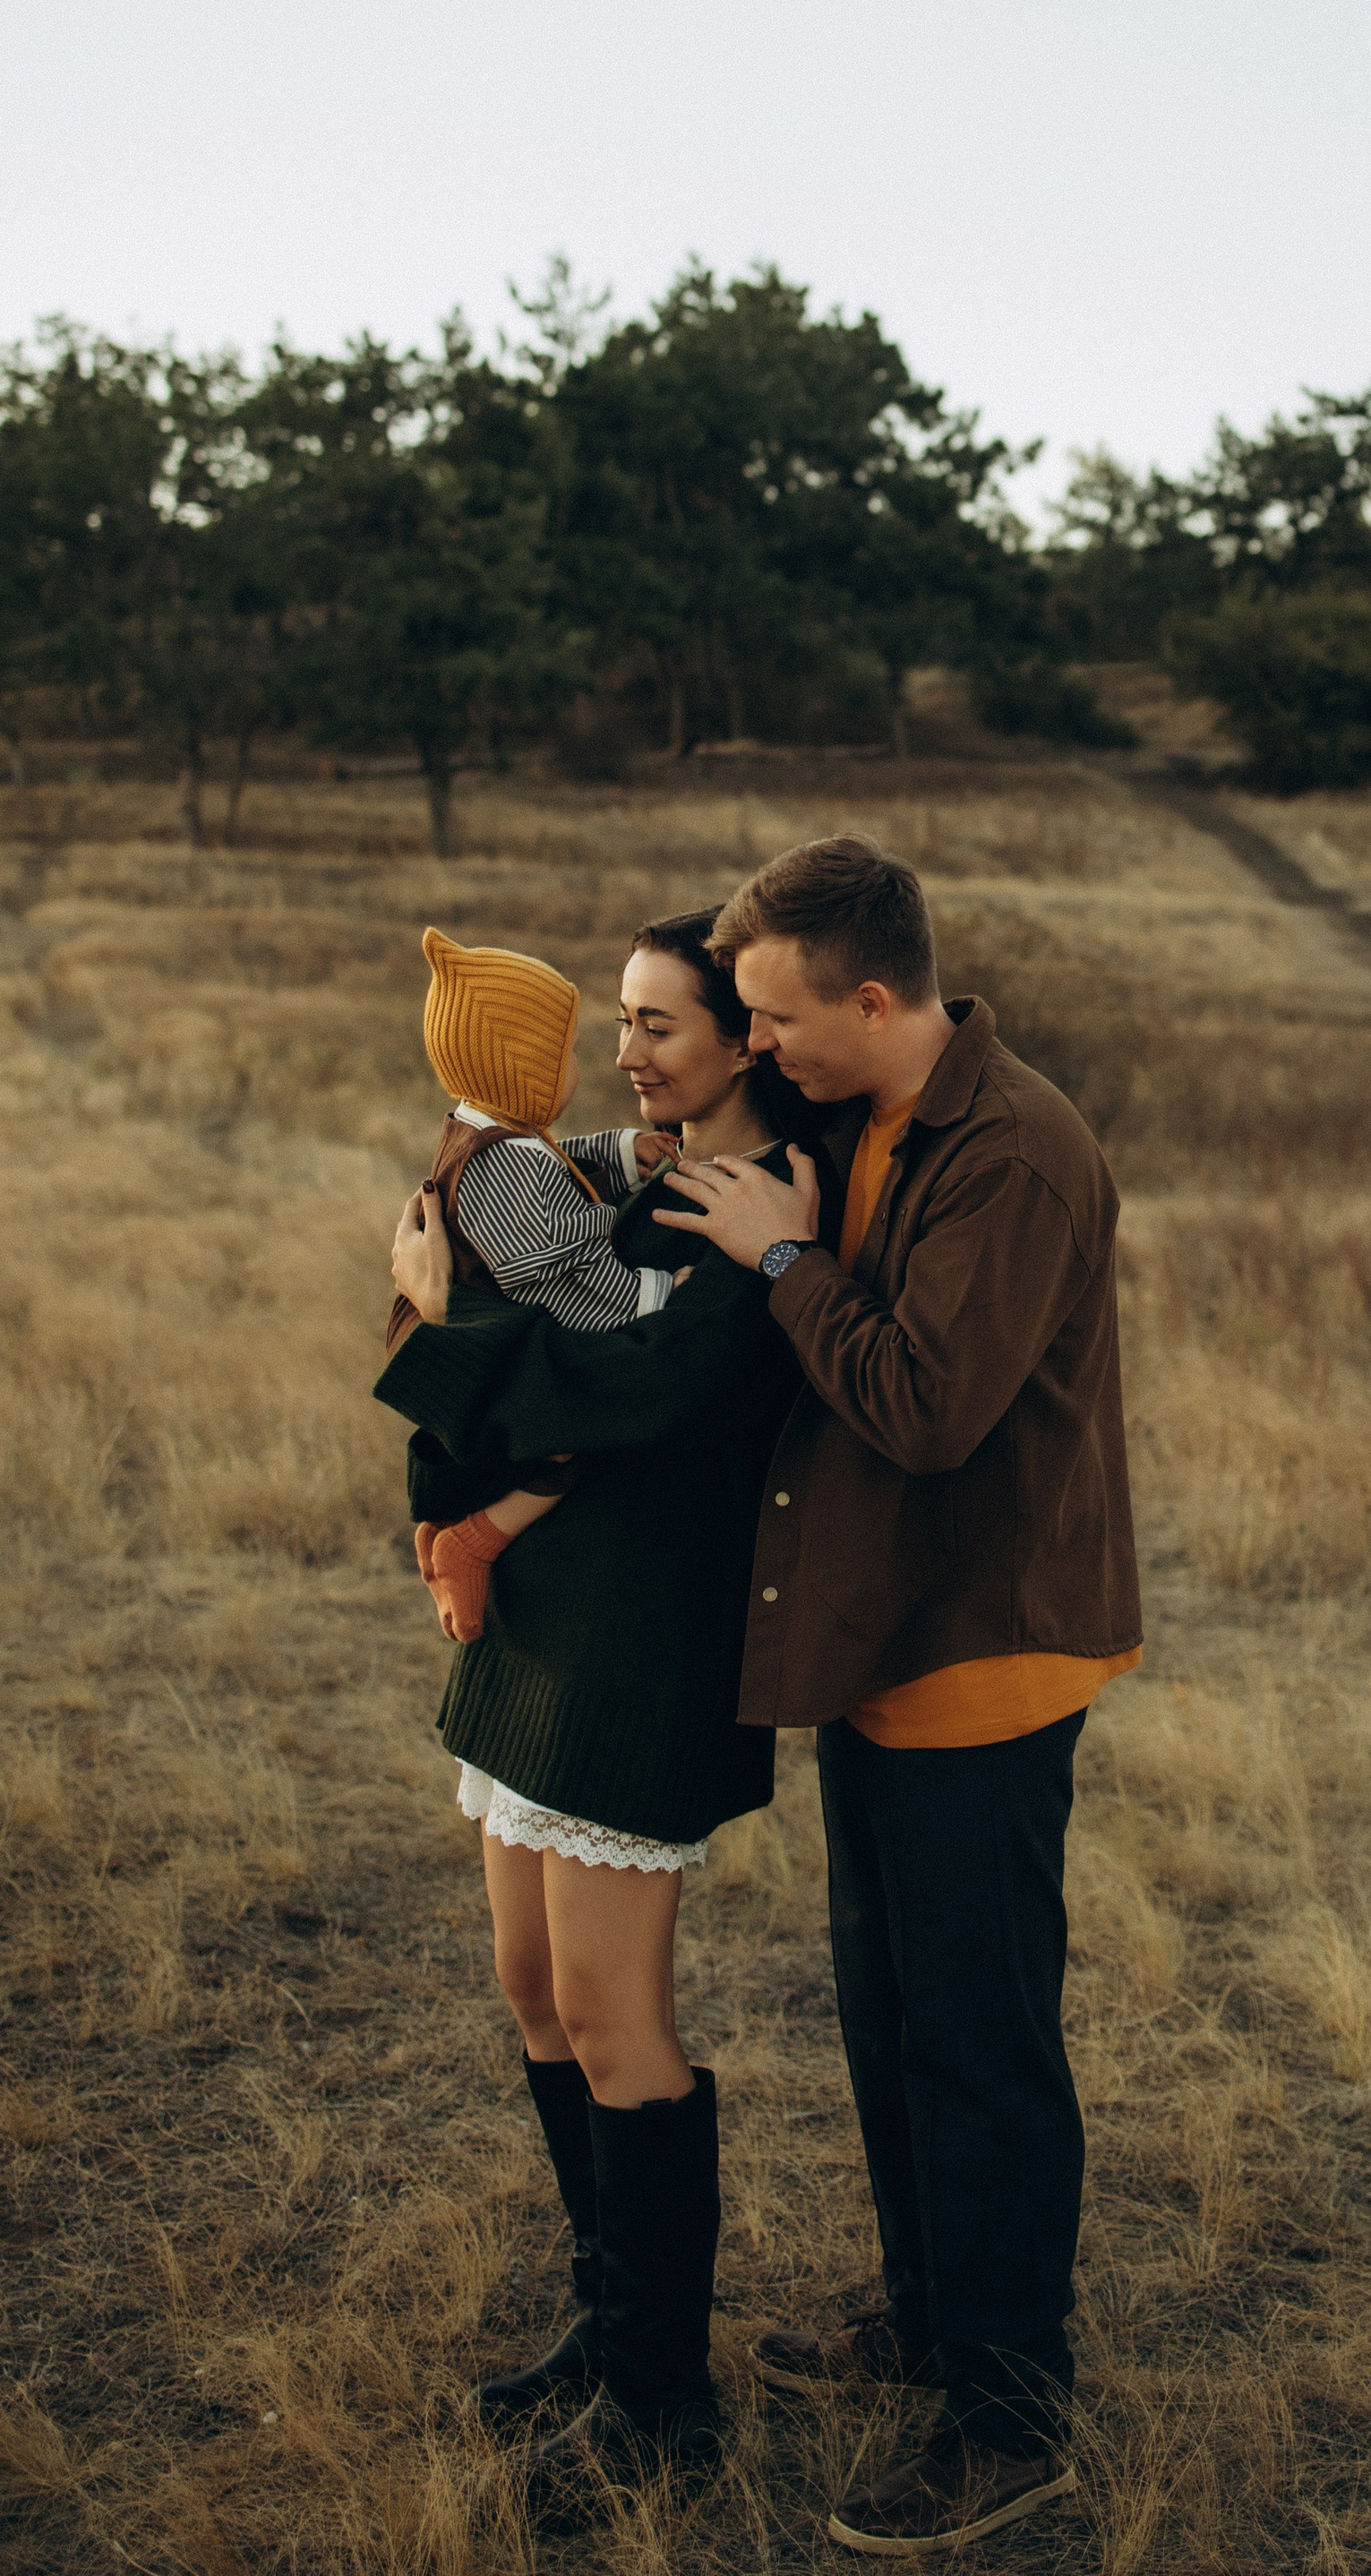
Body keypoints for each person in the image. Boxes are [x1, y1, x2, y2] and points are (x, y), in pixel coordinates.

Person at [384, 835, 1142, 2561]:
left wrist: (783, 1265)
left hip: (985, 1640)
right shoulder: (865, 1124)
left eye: (769, 1017)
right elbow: (611, 1275)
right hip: (883, 1638)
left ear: (864, 999)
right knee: (893, 2021)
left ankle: (1009, 2419)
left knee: (979, 2045)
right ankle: (925, 2322)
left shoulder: (1007, 1153)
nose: (760, 1042)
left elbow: (919, 1406)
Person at [381, 908, 808, 2522]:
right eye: (617, 1022)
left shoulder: (760, 1214)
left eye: (656, 1025)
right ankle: (606, 2319)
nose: (623, 1054)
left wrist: (442, 1322)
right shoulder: (649, 1176)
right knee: (534, 1987)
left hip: (642, 1645)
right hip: (546, 1633)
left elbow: (618, 1392)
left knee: (616, 2016)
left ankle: (662, 2406)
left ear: (746, 1037)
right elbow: (561, 1335)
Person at [390, 924, 682, 1643]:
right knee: (571, 1443)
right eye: (565, 1057)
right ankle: (472, 1541)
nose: (586, 1068)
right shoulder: (501, 1162)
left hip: (485, 1329)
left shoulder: (498, 1133)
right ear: (516, 1071)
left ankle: (454, 1534)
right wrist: (650, 1294)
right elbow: (556, 1264)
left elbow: (560, 1164)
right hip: (488, 1340)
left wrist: (623, 1153)